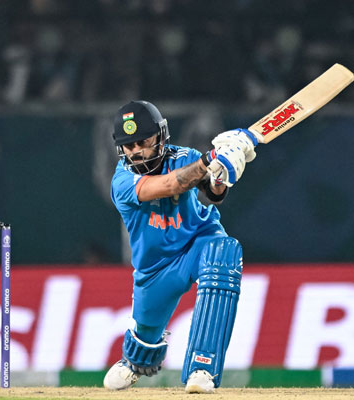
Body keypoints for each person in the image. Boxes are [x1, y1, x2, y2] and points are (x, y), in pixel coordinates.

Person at [104, 100, 257, 393]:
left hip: (199, 240)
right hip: (156, 266)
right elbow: (170, 185)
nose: (136, 150)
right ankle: (134, 361)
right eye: (129, 146)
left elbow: (214, 193)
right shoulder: (121, 181)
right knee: (144, 342)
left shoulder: (187, 156)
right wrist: (211, 158)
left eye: (143, 142)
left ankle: (203, 367)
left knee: (223, 253)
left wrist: (223, 172)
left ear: (160, 137)